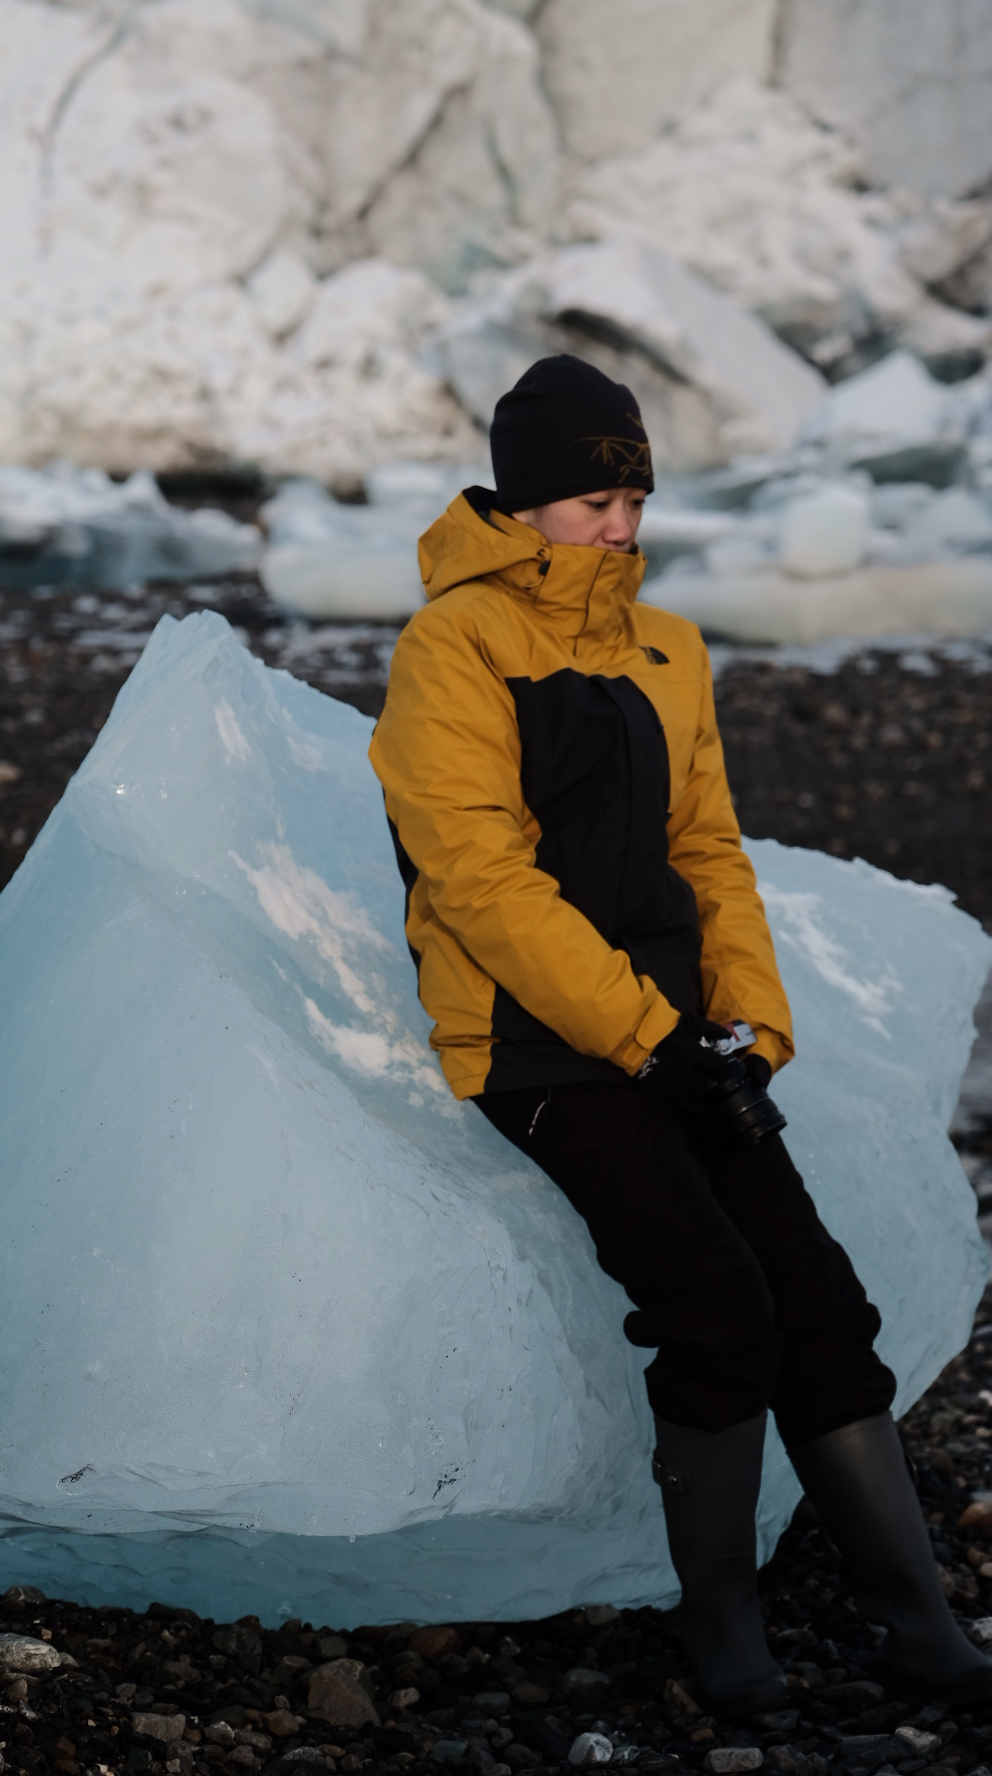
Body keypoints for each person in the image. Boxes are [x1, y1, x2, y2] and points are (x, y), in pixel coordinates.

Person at [368, 355, 992, 1715]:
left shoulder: (670, 648)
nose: (624, 527)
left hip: (672, 1037)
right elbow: (478, 881)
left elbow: (706, 850)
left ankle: (920, 1627)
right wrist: (644, 1039)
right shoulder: (453, 647)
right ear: (529, 502)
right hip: (536, 1048)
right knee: (718, 1312)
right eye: (597, 499)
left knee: (823, 1310)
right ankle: (724, 1634)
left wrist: (747, 1026)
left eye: (635, 497)